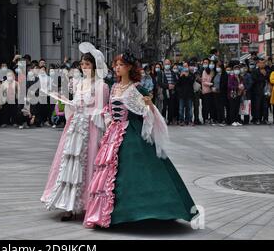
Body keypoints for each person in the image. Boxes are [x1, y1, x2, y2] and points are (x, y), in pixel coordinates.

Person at [83, 52, 198, 229]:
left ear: (129, 67)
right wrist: (107, 119)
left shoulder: (137, 88)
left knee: (138, 171)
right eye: (116, 65)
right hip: (113, 134)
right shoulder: (113, 87)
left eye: (121, 64)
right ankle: (111, 214)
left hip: (132, 133)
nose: (117, 68)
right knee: (113, 173)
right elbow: (108, 108)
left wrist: (147, 106)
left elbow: (149, 113)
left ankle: (147, 211)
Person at [41, 42, 110, 221]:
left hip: (91, 128)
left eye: (87, 64)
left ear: (95, 66)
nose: (84, 67)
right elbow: (74, 105)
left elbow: (103, 110)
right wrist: (66, 102)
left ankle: (88, 204)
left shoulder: (101, 86)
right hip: (75, 126)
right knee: (69, 163)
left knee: (87, 164)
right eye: (82, 64)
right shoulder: (78, 84)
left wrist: (89, 112)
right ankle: (68, 205)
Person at [176, 62, 194, 126]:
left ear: (188, 67)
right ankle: (181, 120)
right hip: (181, 95)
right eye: (183, 66)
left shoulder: (191, 74)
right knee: (181, 109)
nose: (185, 68)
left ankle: (189, 120)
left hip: (189, 94)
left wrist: (188, 76)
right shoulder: (180, 75)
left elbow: (192, 82)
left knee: (189, 108)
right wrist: (180, 77)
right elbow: (177, 84)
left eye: (186, 66)